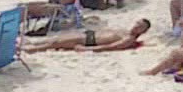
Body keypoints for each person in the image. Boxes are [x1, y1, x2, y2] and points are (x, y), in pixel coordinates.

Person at [22, 19, 153, 53]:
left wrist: (88, 49)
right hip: (89, 34)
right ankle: (33, 44)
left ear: (143, 31)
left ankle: (33, 49)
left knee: (56, 43)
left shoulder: (128, 39)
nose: (136, 26)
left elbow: (111, 47)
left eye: (140, 27)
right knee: (57, 39)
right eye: (137, 23)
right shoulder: (125, 31)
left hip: (89, 41)